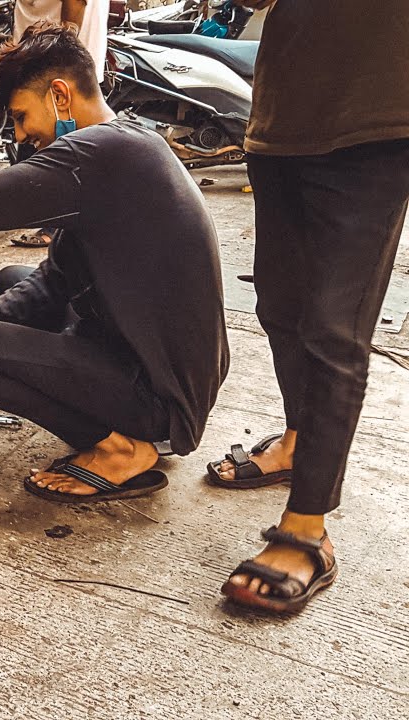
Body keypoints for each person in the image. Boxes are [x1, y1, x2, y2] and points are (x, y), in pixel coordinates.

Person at [0, 23, 228, 503]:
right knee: (12, 278)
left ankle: (120, 450)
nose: (21, 135)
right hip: (161, 368)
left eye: (20, 116)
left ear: (60, 96)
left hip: (160, 399)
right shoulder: (129, 141)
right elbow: (53, 281)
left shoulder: (101, 152)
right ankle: (121, 427)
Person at [209, 0, 409, 613]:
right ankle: (299, 439)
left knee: (333, 329)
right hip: (281, 117)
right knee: (281, 307)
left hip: (377, 120)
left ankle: (307, 527)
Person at [11, 0, 109, 248]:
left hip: (52, 66)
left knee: (60, 148)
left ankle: (56, 224)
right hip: (53, 63)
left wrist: (60, 55)